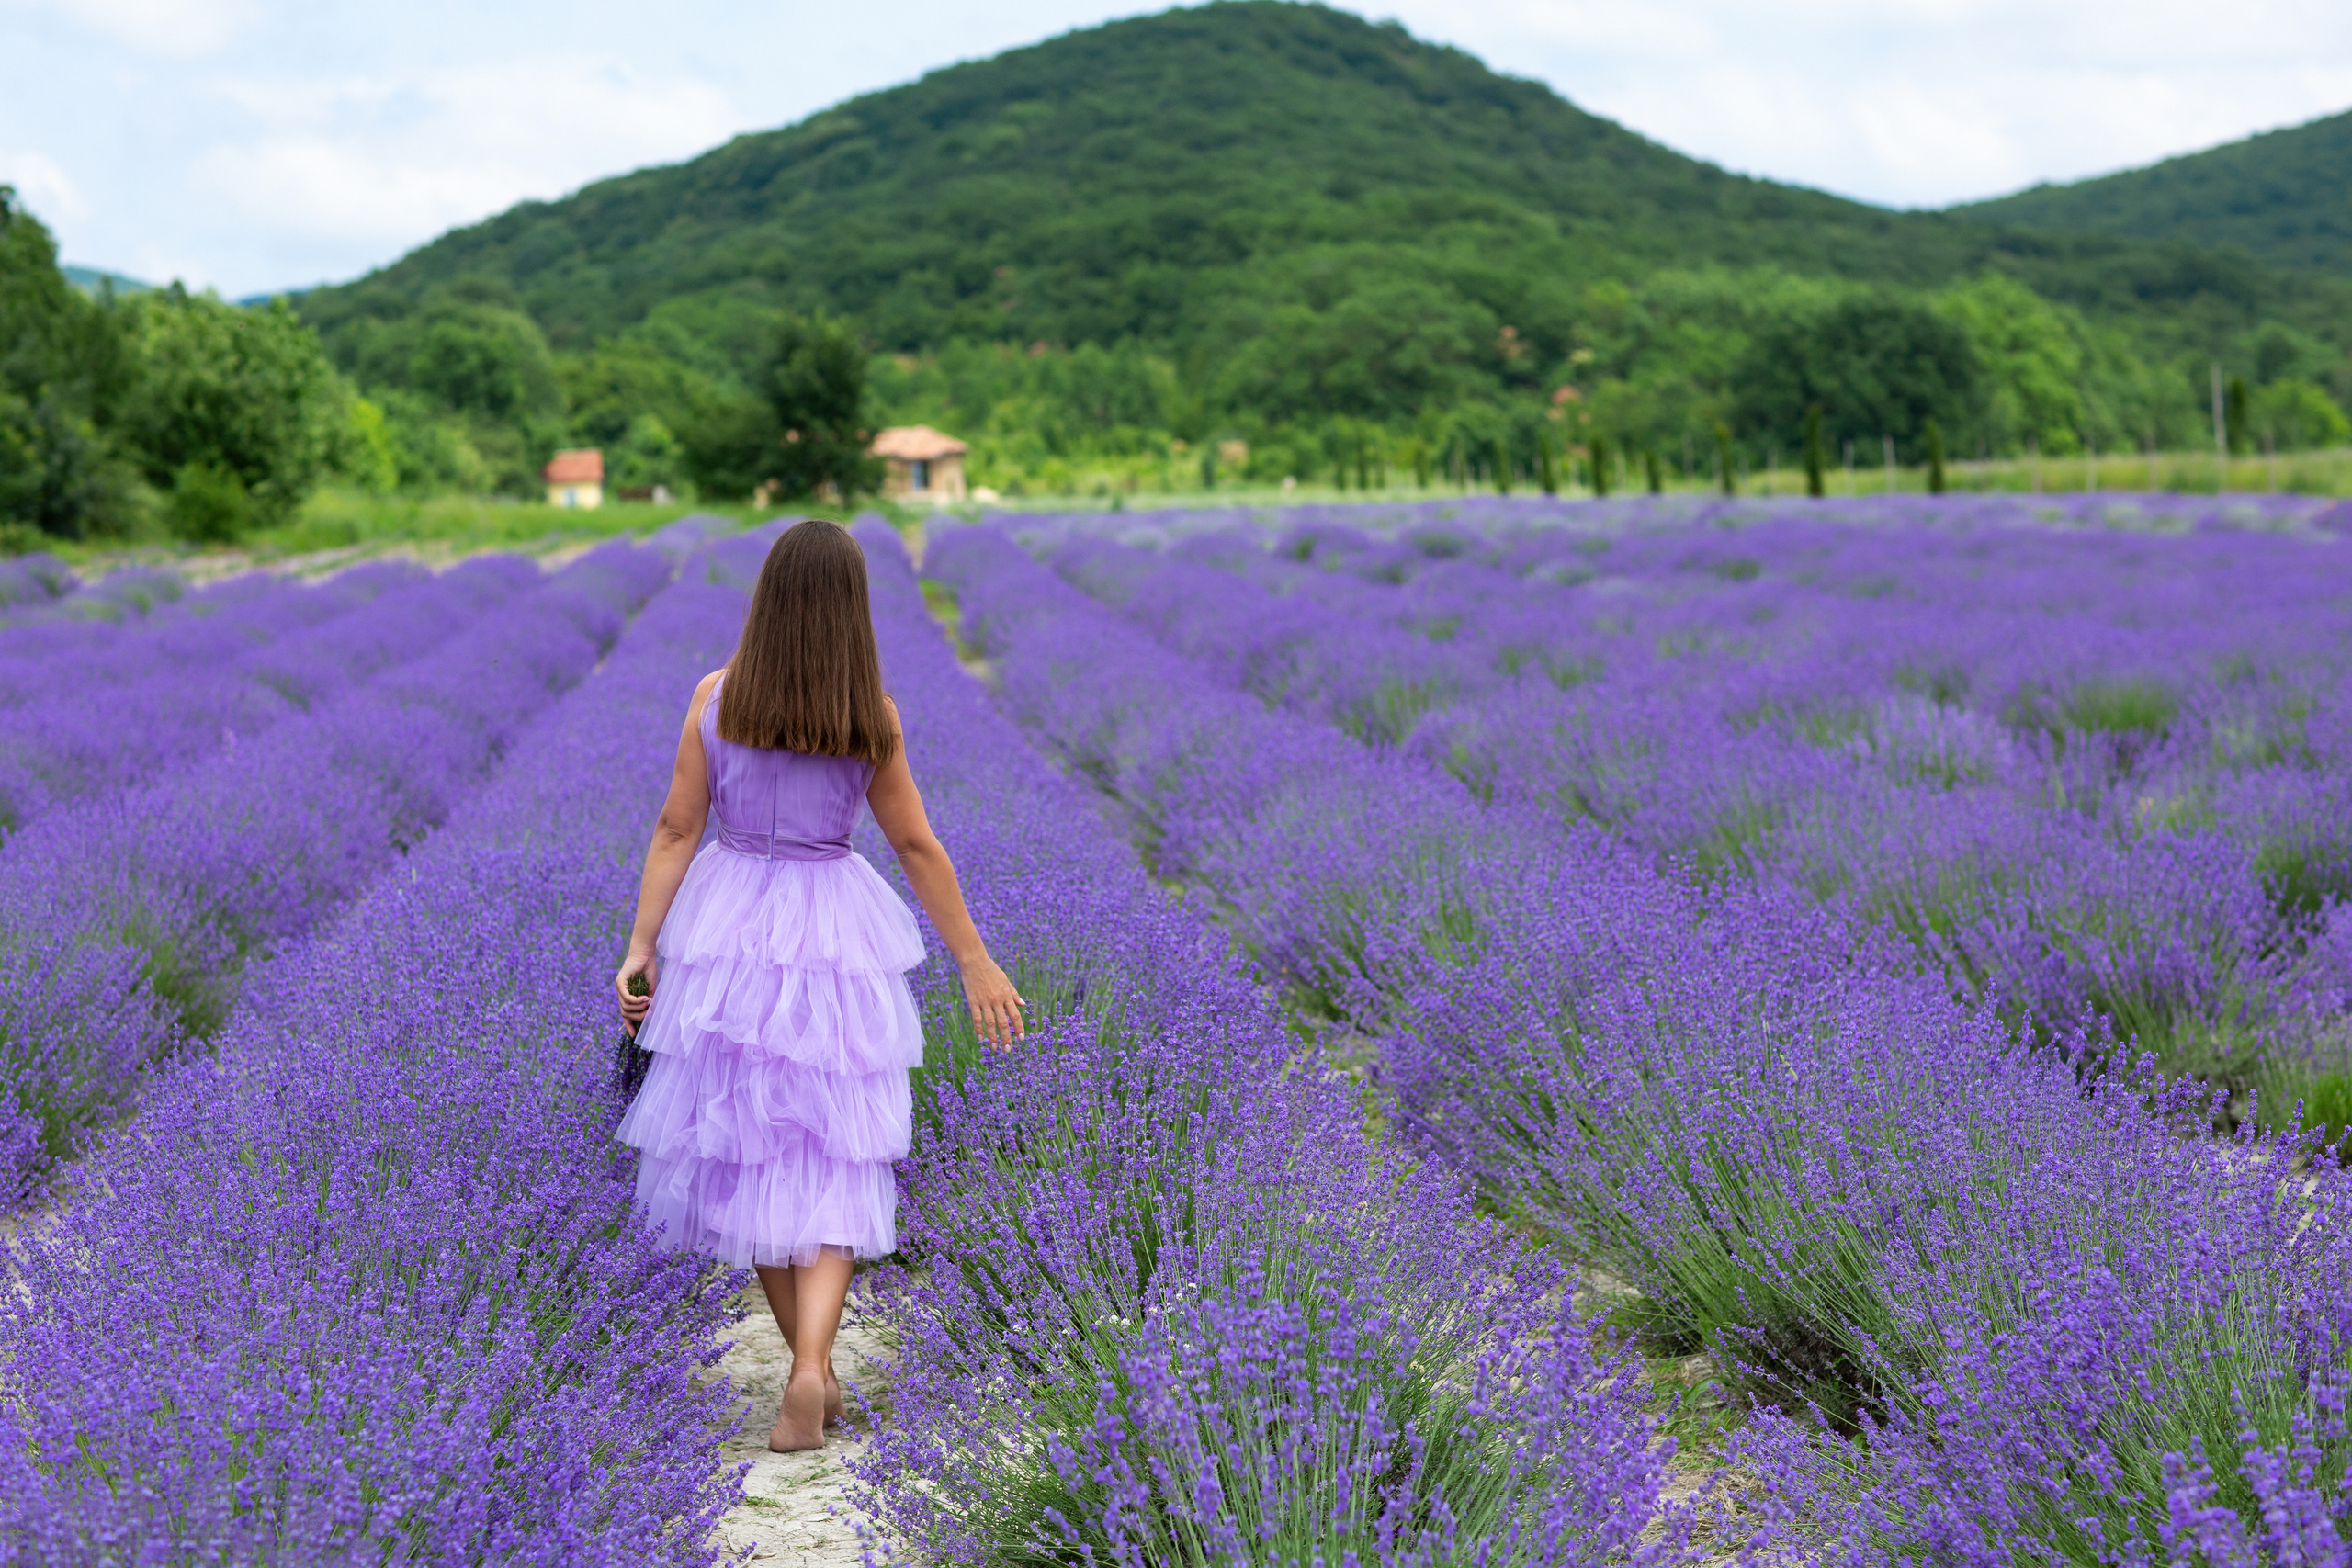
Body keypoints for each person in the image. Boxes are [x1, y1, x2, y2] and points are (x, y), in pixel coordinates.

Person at [612, 519, 1023, 1451]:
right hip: (833, 924)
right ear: (850, 613)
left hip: (729, 928)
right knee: (835, 1150)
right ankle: (812, 1366)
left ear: (768, 600)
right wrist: (972, 959)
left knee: (745, 1147)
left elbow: (677, 830)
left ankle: (809, 1372)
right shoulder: (869, 716)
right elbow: (916, 845)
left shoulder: (716, 700)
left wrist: (642, 947)